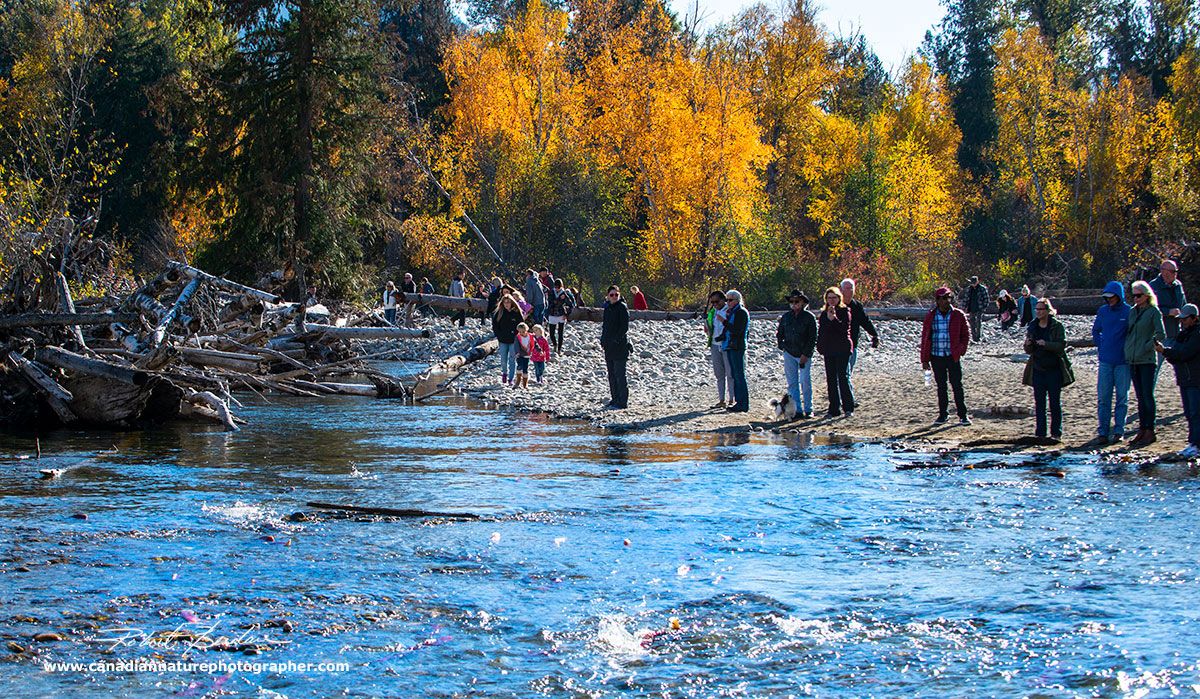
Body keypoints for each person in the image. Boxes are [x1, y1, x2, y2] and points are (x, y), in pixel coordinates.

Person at [1023, 298, 1074, 441]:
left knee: (1054, 403)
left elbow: (1061, 345)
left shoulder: (1056, 326)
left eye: (1041, 309)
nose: (1038, 312)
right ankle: (1040, 433)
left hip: (1054, 368)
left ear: (1047, 311)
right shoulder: (1033, 326)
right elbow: (1028, 350)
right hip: (1038, 368)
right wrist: (1028, 345)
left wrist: (1046, 344)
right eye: (1037, 310)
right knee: (1039, 403)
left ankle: (1056, 433)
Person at [920, 287, 972, 425]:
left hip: (952, 356)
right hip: (936, 356)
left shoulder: (958, 315)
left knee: (957, 386)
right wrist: (924, 360)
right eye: (942, 298)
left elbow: (966, 335)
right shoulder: (931, 316)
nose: (945, 301)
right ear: (937, 300)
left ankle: (963, 415)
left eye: (948, 297)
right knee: (941, 387)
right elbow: (925, 338)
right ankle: (943, 414)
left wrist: (961, 349)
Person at [1126, 280, 1166, 447]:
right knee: (1140, 397)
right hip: (1133, 359)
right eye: (1133, 295)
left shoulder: (1153, 312)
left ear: (1146, 295)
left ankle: (1150, 429)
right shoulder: (1133, 312)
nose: (1136, 298)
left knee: (1148, 396)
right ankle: (1142, 429)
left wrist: (1147, 346)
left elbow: (1161, 333)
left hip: (1147, 360)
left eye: (1138, 295)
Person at [1091, 282, 1132, 445]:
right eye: (1107, 297)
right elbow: (1096, 330)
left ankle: (1119, 430)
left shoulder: (1129, 311)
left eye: (1112, 297)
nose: (1110, 300)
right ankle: (1103, 431)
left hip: (1123, 361)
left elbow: (1133, 333)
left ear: (1119, 295)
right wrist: (1101, 345)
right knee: (1103, 398)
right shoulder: (1103, 311)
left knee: (1122, 397)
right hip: (1105, 361)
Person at [1158, 304, 1200, 458]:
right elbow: (1176, 356)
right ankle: (1193, 443)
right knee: (1189, 413)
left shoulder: (1197, 334)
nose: (1182, 322)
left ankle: (1196, 444)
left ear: (1194, 318)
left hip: (1195, 380)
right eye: (1181, 319)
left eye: (1185, 319)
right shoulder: (1183, 335)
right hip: (1185, 379)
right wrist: (1168, 353)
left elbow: (1185, 353)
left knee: (1196, 413)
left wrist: (1165, 351)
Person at [777, 289, 816, 419]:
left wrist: (806, 354)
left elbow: (812, 338)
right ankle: (797, 410)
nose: (794, 303)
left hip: (804, 354)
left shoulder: (809, 317)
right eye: (792, 301)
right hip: (789, 352)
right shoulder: (786, 317)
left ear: (803, 302)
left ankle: (809, 409)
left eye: (797, 301)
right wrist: (782, 346)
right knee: (792, 383)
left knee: (805, 382)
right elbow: (780, 334)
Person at [816, 286, 855, 418]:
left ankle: (848, 407)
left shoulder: (845, 311)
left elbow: (844, 329)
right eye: (829, 298)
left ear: (839, 298)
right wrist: (820, 347)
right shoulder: (823, 314)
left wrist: (834, 319)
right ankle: (833, 409)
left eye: (834, 298)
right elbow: (822, 332)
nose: (832, 300)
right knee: (831, 379)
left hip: (842, 349)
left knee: (842, 378)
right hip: (829, 350)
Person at [1151, 259, 1187, 379]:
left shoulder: (1178, 285)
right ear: (1164, 272)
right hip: (1161, 335)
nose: (1175, 273)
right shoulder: (1153, 287)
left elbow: (1184, 304)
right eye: (1173, 271)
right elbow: (1150, 311)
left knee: (1183, 369)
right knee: (1154, 369)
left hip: (1178, 334)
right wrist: (1167, 312)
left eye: (1176, 271)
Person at [715, 289, 750, 412]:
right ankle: (738, 402)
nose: (727, 302)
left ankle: (743, 404)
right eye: (727, 300)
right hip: (730, 346)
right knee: (735, 375)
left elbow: (737, 330)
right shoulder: (732, 312)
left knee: (739, 375)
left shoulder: (741, 312)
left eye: (730, 300)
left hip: (737, 347)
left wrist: (723, 321)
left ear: (737, 300)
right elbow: (729, 330)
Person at [840, 278, 879, 375]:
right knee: (841, 372)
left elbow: (865, 321)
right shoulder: (836, 306)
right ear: (841, 290)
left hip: (853, 343)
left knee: (849, 371)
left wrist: (874, 335)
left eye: (851, 288)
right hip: (838, 345)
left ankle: (845, 389)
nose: (849, 291)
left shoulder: (857, 306)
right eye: (847, 288)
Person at [600, 285, 630, 409]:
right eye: (611, 295)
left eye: (616, 295)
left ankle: (622, 401)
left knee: (620, 374)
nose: (614, 297)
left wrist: (616, 340)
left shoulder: (622, 308)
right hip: (609, 346)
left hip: (620, 346)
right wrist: (603, 340)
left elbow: (624, 327)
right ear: (608, 296)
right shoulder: (607, 308)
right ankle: (615, 398)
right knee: (611, 374)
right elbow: (605, 326)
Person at [704, 290, 732, 408]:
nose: (714, 304)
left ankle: (732, 399)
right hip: (715, 344)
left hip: (727, 345)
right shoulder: (712, 312)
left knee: (730, 373)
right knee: (719, 374)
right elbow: (710, 326)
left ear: (723, 299)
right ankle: (721, 400)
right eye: (712, 302)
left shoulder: (729, 311)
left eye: (717, 301)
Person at [493, 294, 523, 386]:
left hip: (513, 340)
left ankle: (511, 378)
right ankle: (504, 373)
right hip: (502, 340)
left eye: (508, 302)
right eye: (505, 302)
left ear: (512, 303)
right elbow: (495, 326)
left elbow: (521, 325)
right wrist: (499, 336)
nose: (507, 304)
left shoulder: (516, 312)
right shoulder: (499, 313)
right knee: (503, 360)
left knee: (512, 360)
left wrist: (519, 336)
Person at [547, 279, 574, 355]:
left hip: (561, 314)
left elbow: (571, 305)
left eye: (558, 287)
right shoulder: (552, 292)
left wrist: (566, 315)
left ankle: (559, 349)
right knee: (551, 333)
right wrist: (559, 299)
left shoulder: (564, 293)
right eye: (556, 287)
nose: (557, 289)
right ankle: (555, 344)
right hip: (552, 314)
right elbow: (550, 302)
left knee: (560, 333)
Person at [965, 275, 990, 342]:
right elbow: (966, 299)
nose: (973, 284)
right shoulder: (969, 289)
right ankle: (974, 337)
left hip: (979, 308)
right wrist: (965, 307)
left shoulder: (982, 288)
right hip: (971, 308)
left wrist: (984, 307)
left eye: (974, 282)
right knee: (972, 323)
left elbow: (986, 299)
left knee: (978, 322)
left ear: (977, 281)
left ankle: (978, 337)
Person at [514, 322, 533, 389]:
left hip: (527, 354)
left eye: (523, 331)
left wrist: (538, 350)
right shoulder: (518, 337)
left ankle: (525, 383)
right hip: (520, 354)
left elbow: (534, 344)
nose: (522, 333)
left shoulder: (530, 336)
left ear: (526, 330)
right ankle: (518, 380)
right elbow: (516, 346)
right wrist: (517, 353)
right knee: (519, 366)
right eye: (520, 331)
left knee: (525, 368)